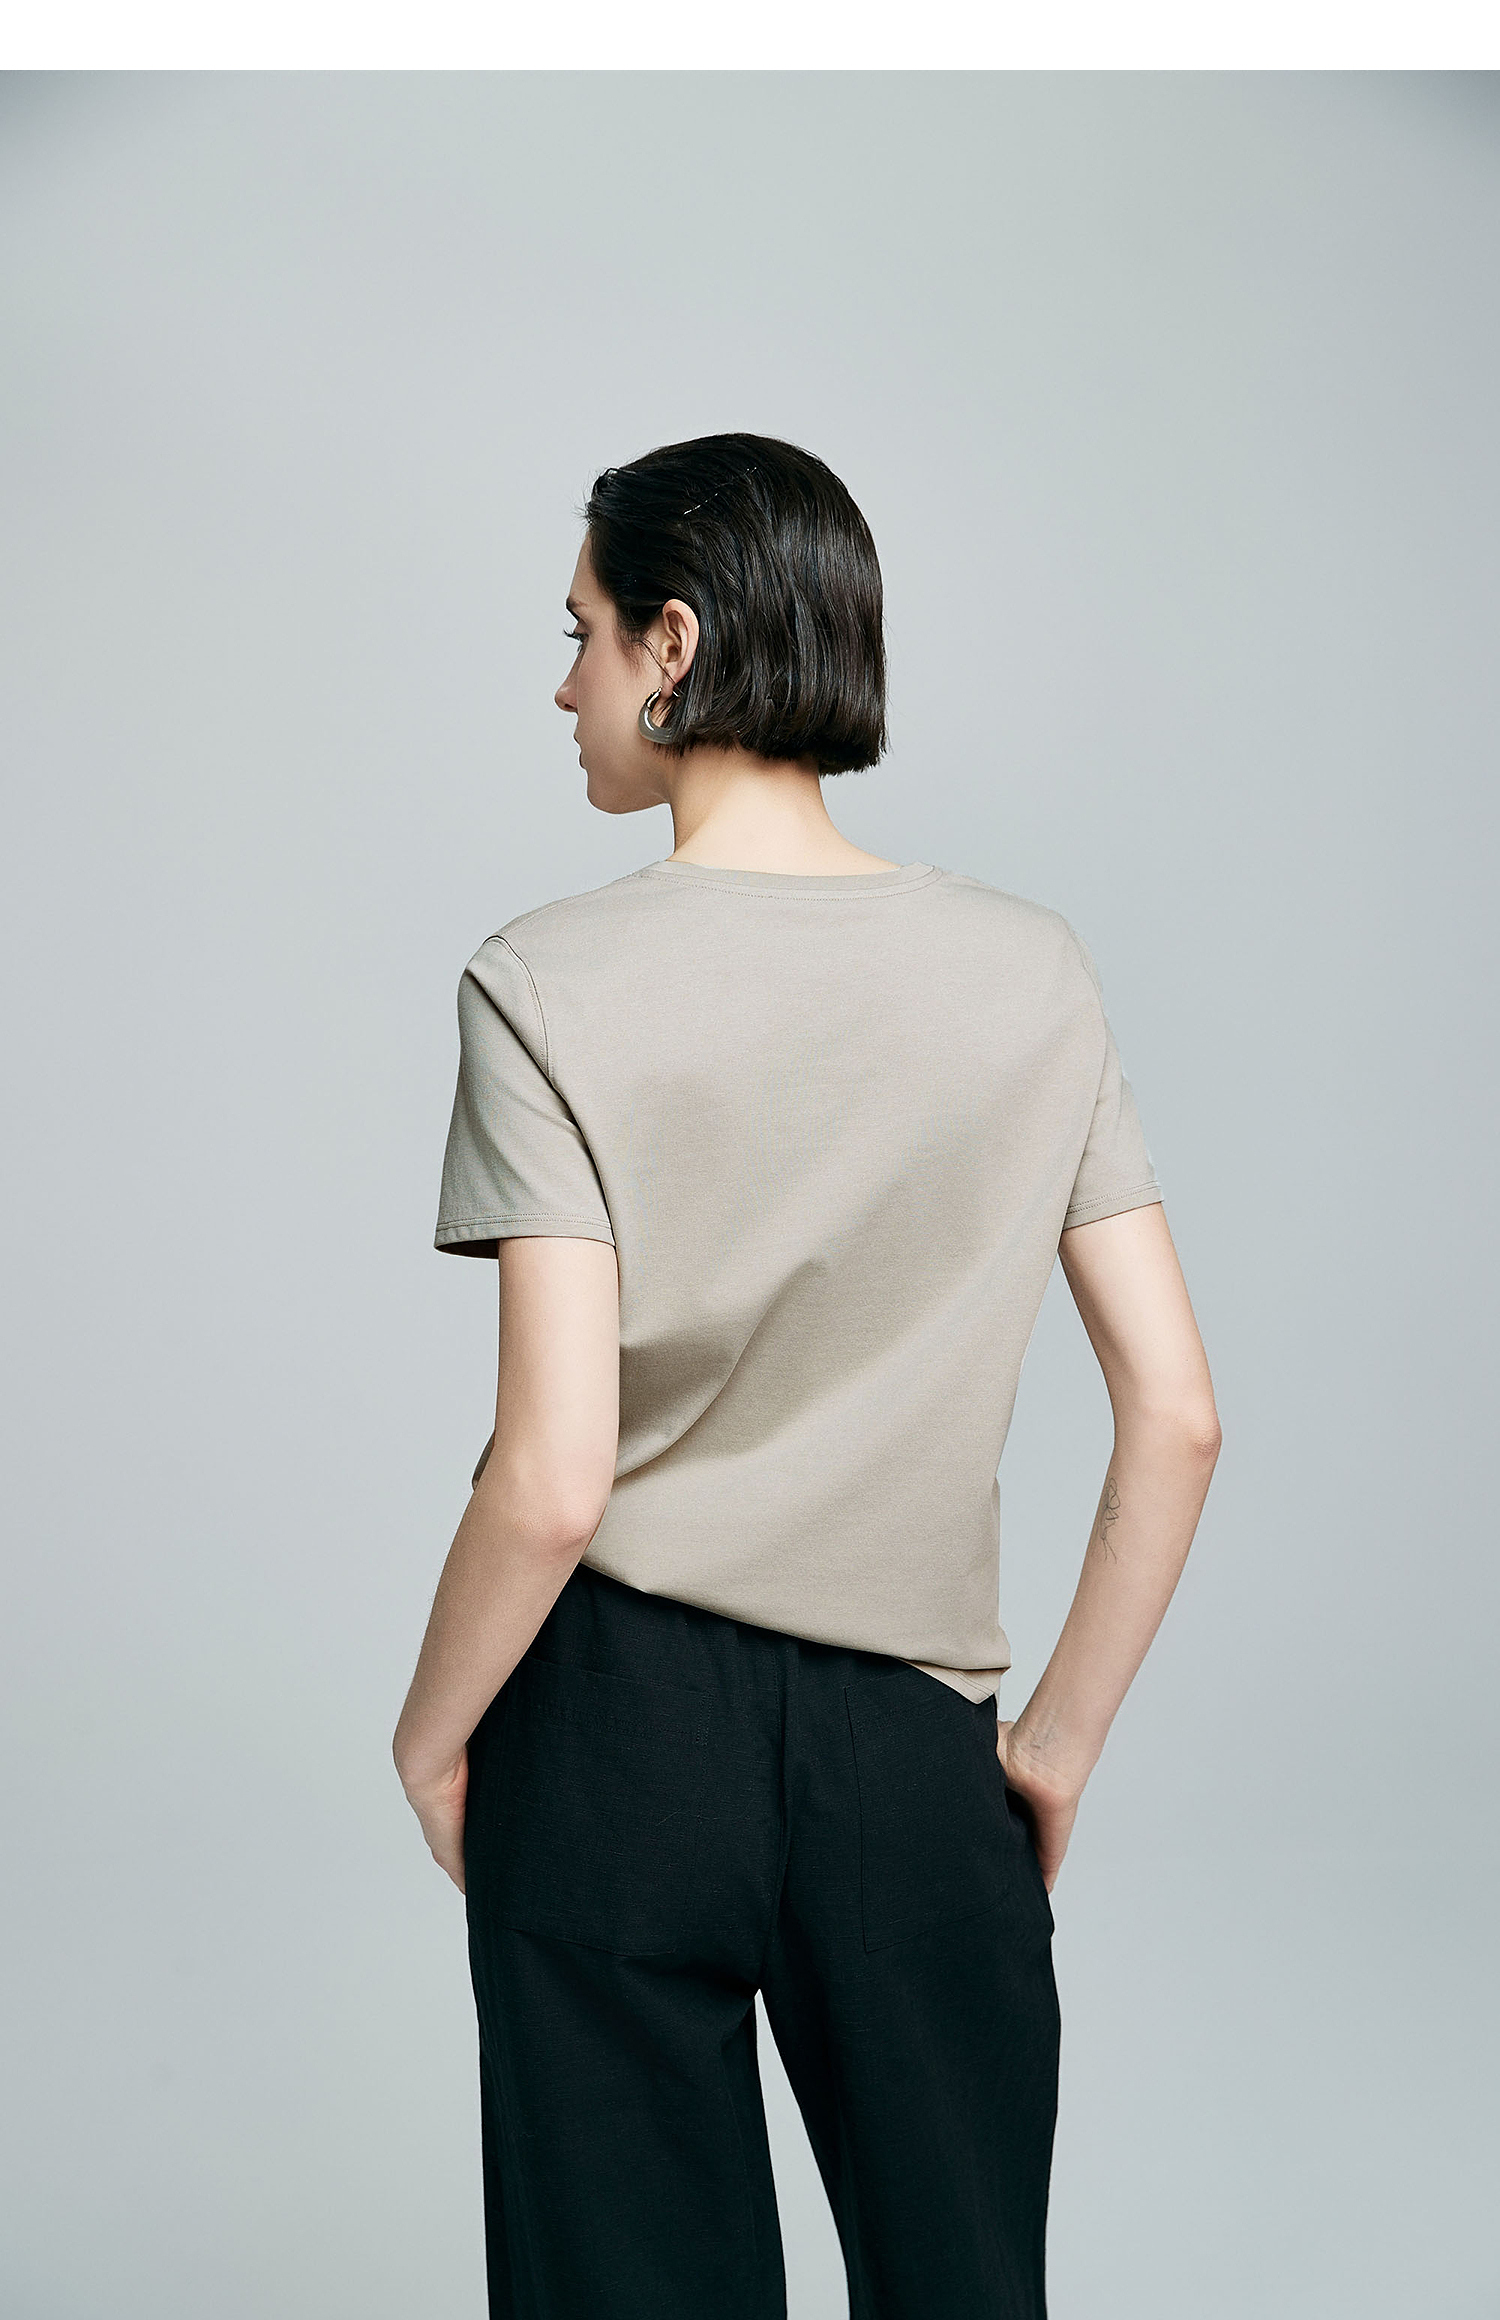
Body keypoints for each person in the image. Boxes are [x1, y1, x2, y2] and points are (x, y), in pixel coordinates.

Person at [392, 432, 1221, 2320]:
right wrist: (1049, 1752)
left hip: (608, 1734)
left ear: (673, 644)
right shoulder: (1034, 974)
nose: (564, 684)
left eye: (583, 632)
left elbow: (553, 1479)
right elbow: (1177, 1416)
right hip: (914, 1752)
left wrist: (432, 1737)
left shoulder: (542, 984)